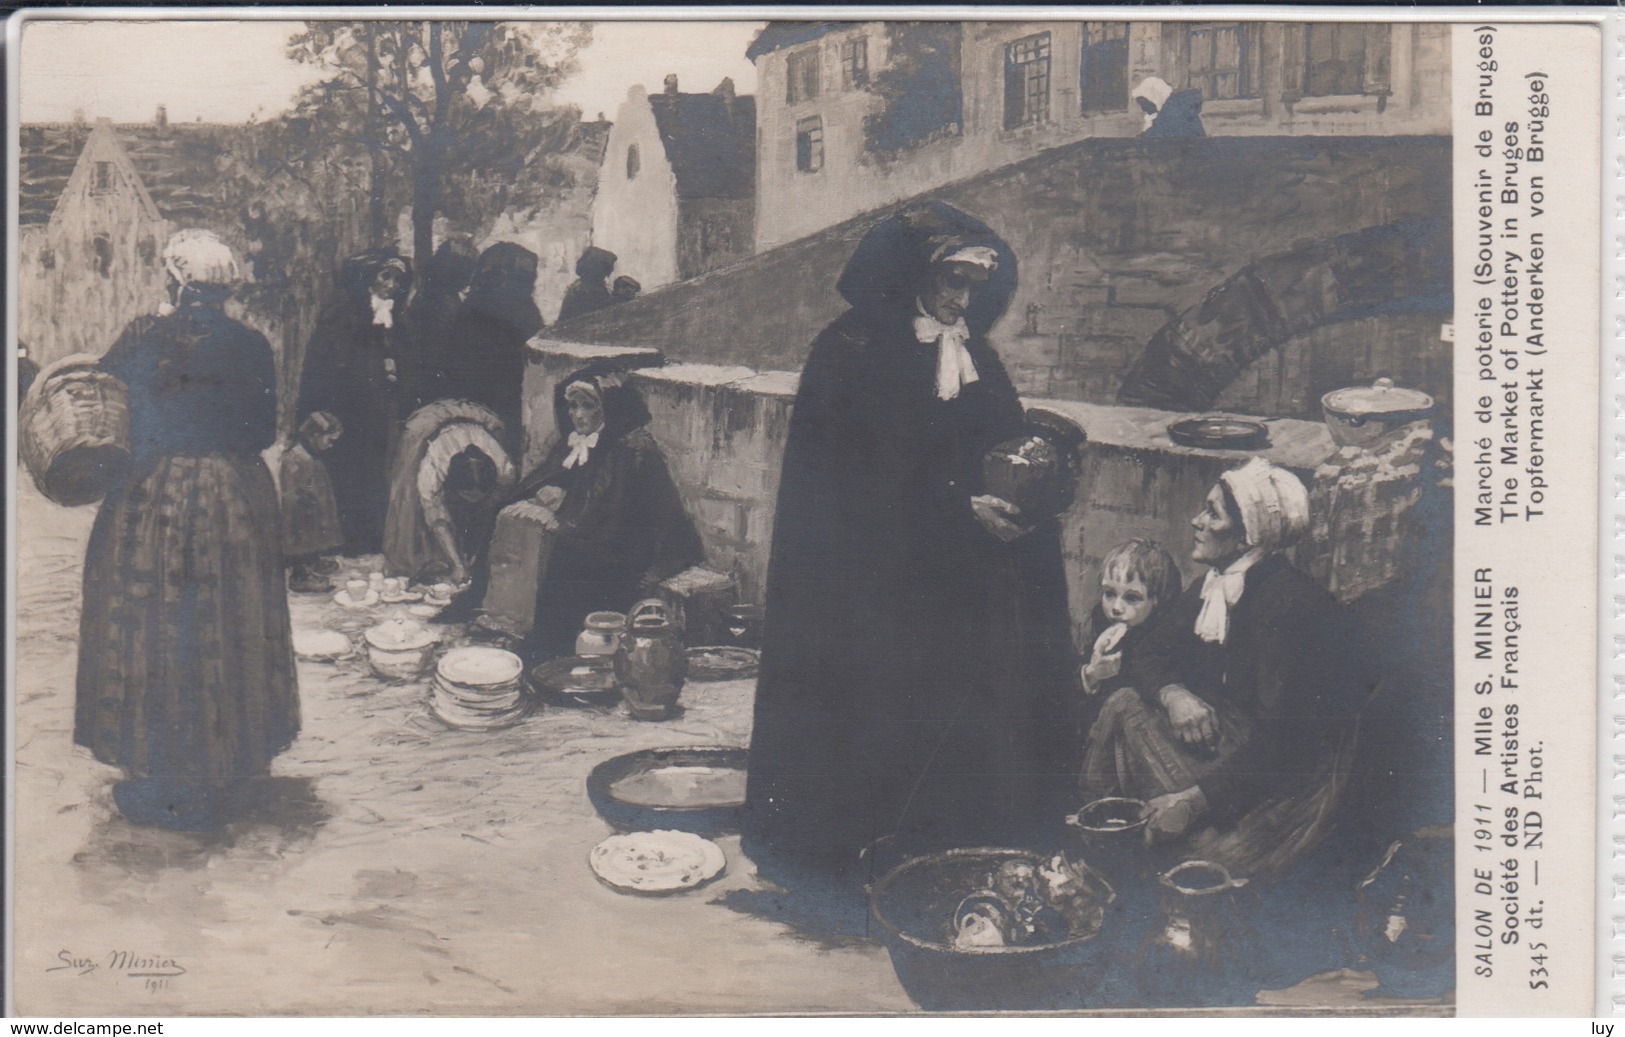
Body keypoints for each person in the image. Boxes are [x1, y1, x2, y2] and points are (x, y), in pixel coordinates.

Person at [742, 202, 1081, 884]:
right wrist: (958, 511)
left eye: (971, 286)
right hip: (871, 582)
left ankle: (957, 838)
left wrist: (1026, 498)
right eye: (948, 282)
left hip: (958, 575)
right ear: (909, 276)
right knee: (883, 714)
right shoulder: (849, 352)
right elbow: (848, 485)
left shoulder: (972, 352)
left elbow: (1001, 442)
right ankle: (860, 849)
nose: (960, 299)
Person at [74, 229, 299, 831]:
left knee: (156, 624)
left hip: (154, 494)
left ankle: (165, 778)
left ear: (175, 279)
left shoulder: (147, 334)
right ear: (224, 287)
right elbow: (262, 431)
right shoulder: (251, 343)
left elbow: (101, 401)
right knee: (227, 620)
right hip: (235, 495)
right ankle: (233, 763)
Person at [1079, 457, 1371, 879]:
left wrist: (1196, 800)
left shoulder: (1288, 606)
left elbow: (1290, 744)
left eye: (1212, 514)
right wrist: (1174, 695)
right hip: (1231, 744)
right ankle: (1099, 839)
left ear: (1246, 535)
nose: (1196, 521)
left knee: (1194, 860)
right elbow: (1149, 654)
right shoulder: (1213, 584)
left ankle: (1110, 849)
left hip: (1286, 786)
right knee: (1124, 701)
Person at [508, 367, 703, 665]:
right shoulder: (578, 442)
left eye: (588, 406)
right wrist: (552, 495)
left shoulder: (631, 448)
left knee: (570, 559)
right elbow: (563, 484)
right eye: (573, 406)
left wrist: (561, 510)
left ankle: (559, 651)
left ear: (610, 408)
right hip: (597, 535)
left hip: (633, 548)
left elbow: (614, 513)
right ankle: (548, 645)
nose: (578, 415)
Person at [296, 249, 415, 555]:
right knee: (348, 469)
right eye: (384, 276)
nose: (390, 285)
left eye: (397, 279)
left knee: (372, 468)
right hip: (344, 405)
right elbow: (331, 363)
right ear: (367, 277)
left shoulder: (389, 314)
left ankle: (369, 535)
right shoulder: (343, 312)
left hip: (374, 407)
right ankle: (348, 539)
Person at [382, 399, 516, 589]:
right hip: (429, 429)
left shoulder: (505, 469)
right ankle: (446, 559)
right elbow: (437, 518)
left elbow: (497, 498)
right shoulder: (433, 468)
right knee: (413, 506)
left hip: (476, 423)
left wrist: (485, 507)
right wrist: (459, 565)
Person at [443, 242, 544, 457]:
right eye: (522, 275)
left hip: (497, 394)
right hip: (490, 395)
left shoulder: (479, 304)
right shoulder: (504, 306)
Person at [1079, 538, 1187, 700]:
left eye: (1131, 598)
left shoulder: (1163, 641)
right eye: (1109, 594)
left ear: (1157, 601)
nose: (1116, 607)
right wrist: (1092, 674)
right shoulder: (1100, 626)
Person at [406, 236, 478, 410]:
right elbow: (445, 345)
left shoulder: (428, 293)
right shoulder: (445, 302)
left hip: (424, 374)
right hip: (438, 378)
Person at [280, 411, 345, 593]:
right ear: (314, 435)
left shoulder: (311, 457)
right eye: (329, 440)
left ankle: (313, 559)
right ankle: (300, 573)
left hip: (313, 510)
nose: (331, 445)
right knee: (303, 530)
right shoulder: (295, 458)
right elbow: (290, 496)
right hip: (299, 515)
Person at [556, 246, 617, 323]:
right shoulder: (586, 290)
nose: (611, 270)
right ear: (597, 269)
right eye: (608, 267)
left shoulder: (584, 285)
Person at [1133, 76, 1206, 138]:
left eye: (1145, 103)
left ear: (1154, 96)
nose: (1143, 108)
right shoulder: (1177, 103)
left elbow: (1160, 130)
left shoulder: (1173, 106)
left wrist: (1142, 136)